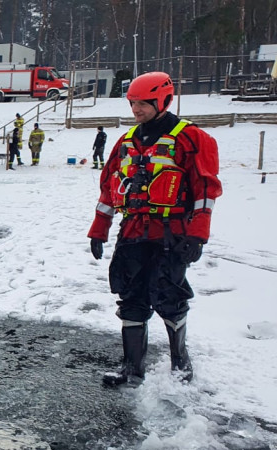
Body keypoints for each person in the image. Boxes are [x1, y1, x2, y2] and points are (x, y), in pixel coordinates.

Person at [87, 71, 222, 386]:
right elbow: (109, 188)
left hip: (171, 232)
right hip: (133, 231)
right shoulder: (127, 141)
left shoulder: (191, 138)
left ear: (163, 99)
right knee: (130, 295)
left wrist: (197, 233)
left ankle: (181, 363)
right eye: (133, 103)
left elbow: (205, 189)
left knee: (168, 295)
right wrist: (98, 228)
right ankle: (131, 369)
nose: (136, 110)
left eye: (143, 104)